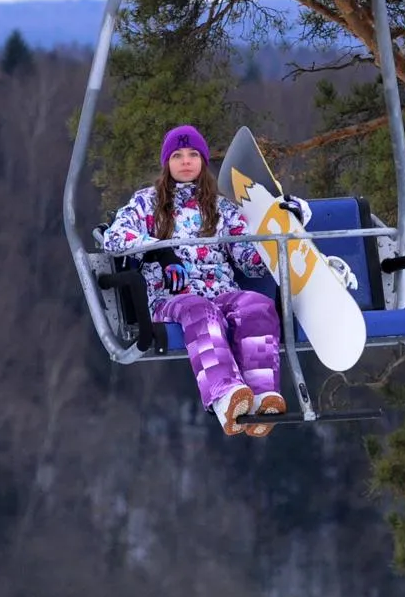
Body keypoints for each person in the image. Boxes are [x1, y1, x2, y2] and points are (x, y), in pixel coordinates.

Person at [101, 124, 292, 436]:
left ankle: (260, 396)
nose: (185, 161)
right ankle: (225, 395)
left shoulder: (220, 207)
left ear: (203, 161)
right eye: (177, 155)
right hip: (171, 299)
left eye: (192, 154)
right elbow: (114, 237)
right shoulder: (147, 203)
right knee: (202, 312)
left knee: (257, 304)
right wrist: (159, 253)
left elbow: (248, 257)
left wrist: (278, 243)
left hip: (222, 292)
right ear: (167, 163)